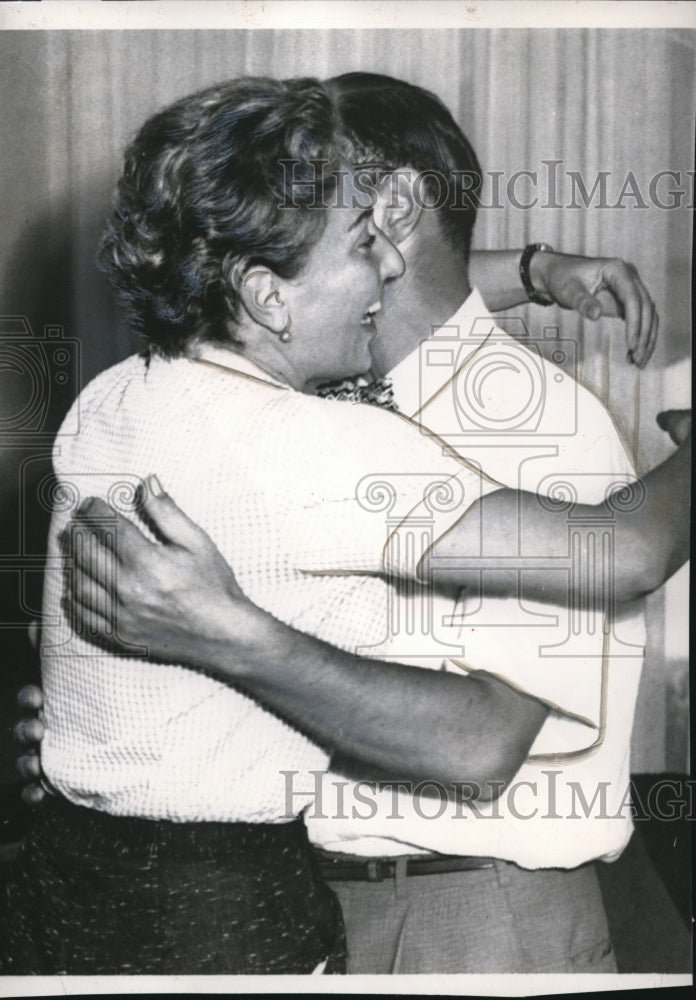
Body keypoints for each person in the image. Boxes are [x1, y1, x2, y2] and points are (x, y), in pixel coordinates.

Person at [6, 72, 689, 977]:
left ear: (400, 206)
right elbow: (625, 549)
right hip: (280, 901)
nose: (383, 267)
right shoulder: (315, 420)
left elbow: (485, 742)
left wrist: (187, 672)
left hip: (462, 912)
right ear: (266, 285)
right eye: (357, 241)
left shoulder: (118, 395)